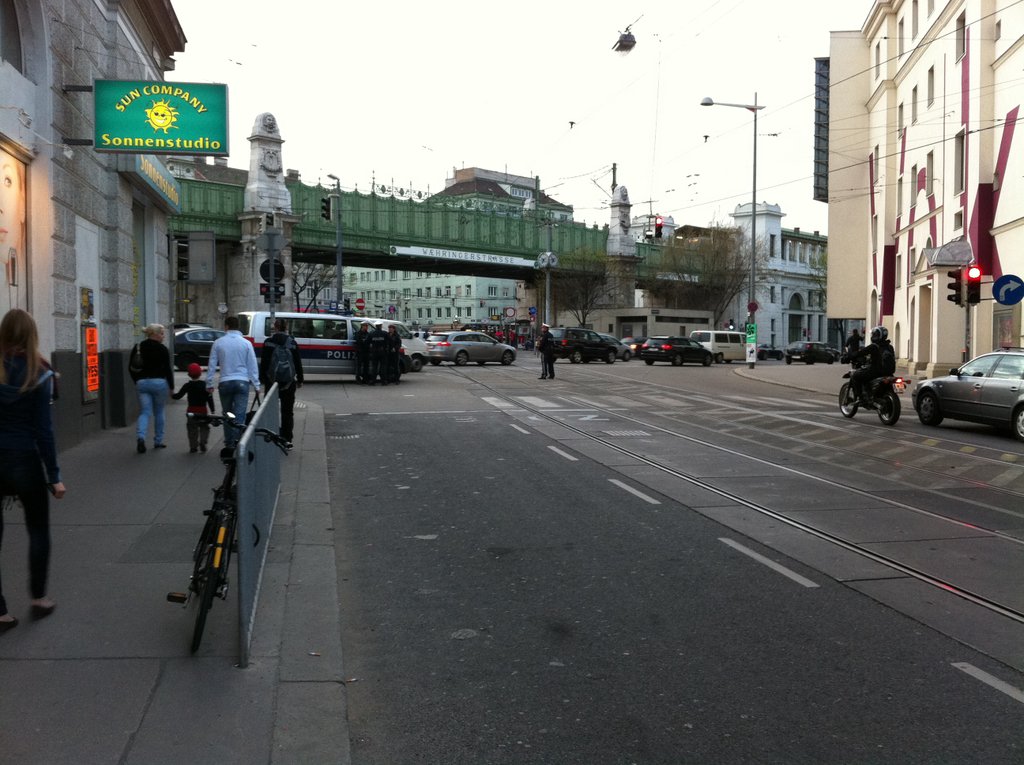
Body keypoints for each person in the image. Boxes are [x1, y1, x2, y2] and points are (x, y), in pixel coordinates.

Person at [0, 308, 65, 632]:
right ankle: (39, 598)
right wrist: (54, 477)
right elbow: (44, 431)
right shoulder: (39, 374)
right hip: (24, 459)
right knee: (38, 529)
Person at [206, 316, 260, 449]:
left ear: (226, 326)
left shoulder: (218, 343)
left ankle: (229, 444)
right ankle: (238, 444)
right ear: (238, 327)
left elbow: (212, 364)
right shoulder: (246, 343)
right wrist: (256, 384)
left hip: (225, 382)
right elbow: (252, 365)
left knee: (227, 414)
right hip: (242, 382)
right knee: (239, 415)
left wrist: (209, 383)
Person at [259, 317, 303, 448]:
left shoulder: (268, 342)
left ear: (275, 327)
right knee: (287, 412)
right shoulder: (292, 343)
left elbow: (264, 363)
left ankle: (271, 437)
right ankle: (287, 440)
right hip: (288, 383)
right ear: (286, 328)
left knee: (270, 410)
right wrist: (300, 379)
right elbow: (297, 362)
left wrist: (262, 378)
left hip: (271, 382)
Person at [130, 323, 174, 453]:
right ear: (155, 334)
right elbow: (167, 369)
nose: (163, 336)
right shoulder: (162, 349)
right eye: (162, 333)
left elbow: (131, 367)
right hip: (159, 383)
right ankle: (158, 441)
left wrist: (137, 380)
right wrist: (171, 386)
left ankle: (141, 437)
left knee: (145, 412)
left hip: (142, 383)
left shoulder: (138, 347)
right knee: (159, 412)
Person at [171, 362, 216, 453]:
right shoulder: (204, 385)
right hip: (203, 410)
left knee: (192, 429)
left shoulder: (187, 385)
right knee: (204, 427)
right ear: (200, 373)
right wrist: (212, 410)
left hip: (191, 411)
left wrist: (171, 394)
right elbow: (209, 398)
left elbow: (178, 396)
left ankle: (193, 447)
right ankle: (203, 441)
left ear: (189, 374)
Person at [850, 326, 895, 404]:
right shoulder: (890, 347)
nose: (872, 336)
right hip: (889, 372)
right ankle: (871, 393)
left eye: (874, 334)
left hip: (876, 371)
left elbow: (861, 352)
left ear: (877, 336)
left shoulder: (874, 346)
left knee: (855, 376)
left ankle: (861, 399)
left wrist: (849, 356)